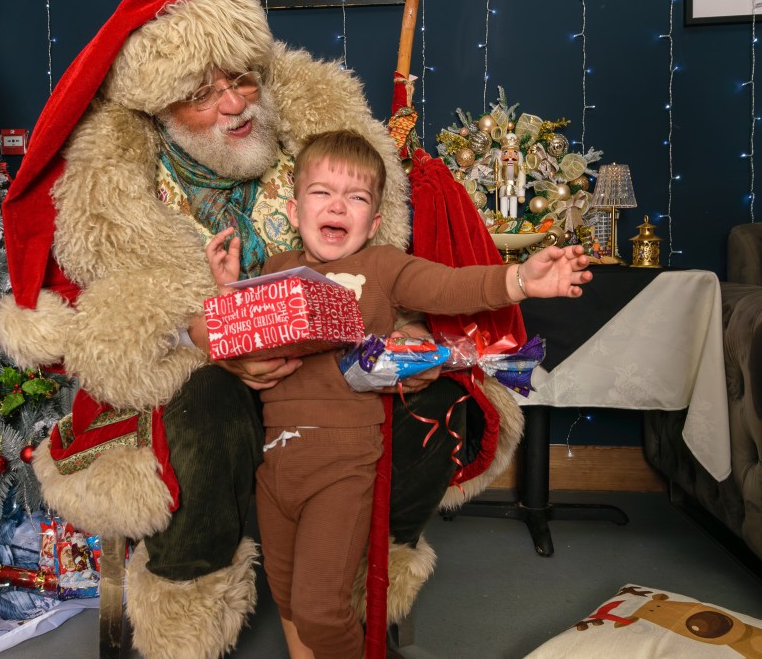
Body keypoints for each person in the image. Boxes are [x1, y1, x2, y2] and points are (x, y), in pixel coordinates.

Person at [0, 0, 524, 657]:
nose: (236, 103)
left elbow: (395, 272)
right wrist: (207, 338)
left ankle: (356, 582)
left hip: (338, 375)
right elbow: (106, 333)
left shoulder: (320, 135)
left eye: (241, 78)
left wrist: (408, 338)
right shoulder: (117, 187)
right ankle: (190, 607)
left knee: (443, 403)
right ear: (161, 108)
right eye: (202, 94)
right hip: (199, 376)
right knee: (208, 412)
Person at [205, 130, 591, 658]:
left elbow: (450, 287)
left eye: (356, 197)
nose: (337, 205)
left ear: (373, 222)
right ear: (294, 212)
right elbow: (240, 338)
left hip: (341, 466)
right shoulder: (275, 271)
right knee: (288, 596)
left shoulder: (384, 267)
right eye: (321, 192)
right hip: (274, 465)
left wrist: (521, 279)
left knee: (322, 610)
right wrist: (228, 291)